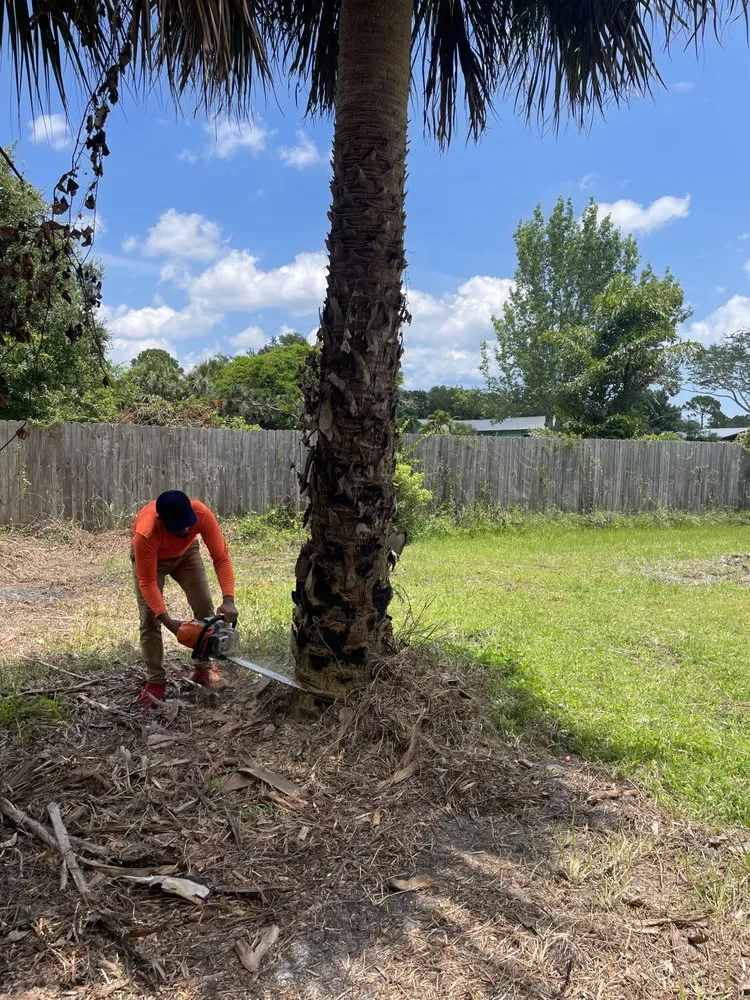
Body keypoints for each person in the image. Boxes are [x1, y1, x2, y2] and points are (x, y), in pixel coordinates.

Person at [131, 490, 238, 707]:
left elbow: (221, 557)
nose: (187, 529)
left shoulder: (202, 514)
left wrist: (228, 599)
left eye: (188, 523)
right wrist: (168, 621)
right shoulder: (146, 532)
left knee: (205, 607)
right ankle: (156, 683)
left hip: (187, 554)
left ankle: (203, 668)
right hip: (153, 561)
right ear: (163, 521)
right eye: (179, 526)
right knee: (150, 619)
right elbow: (147, 583)